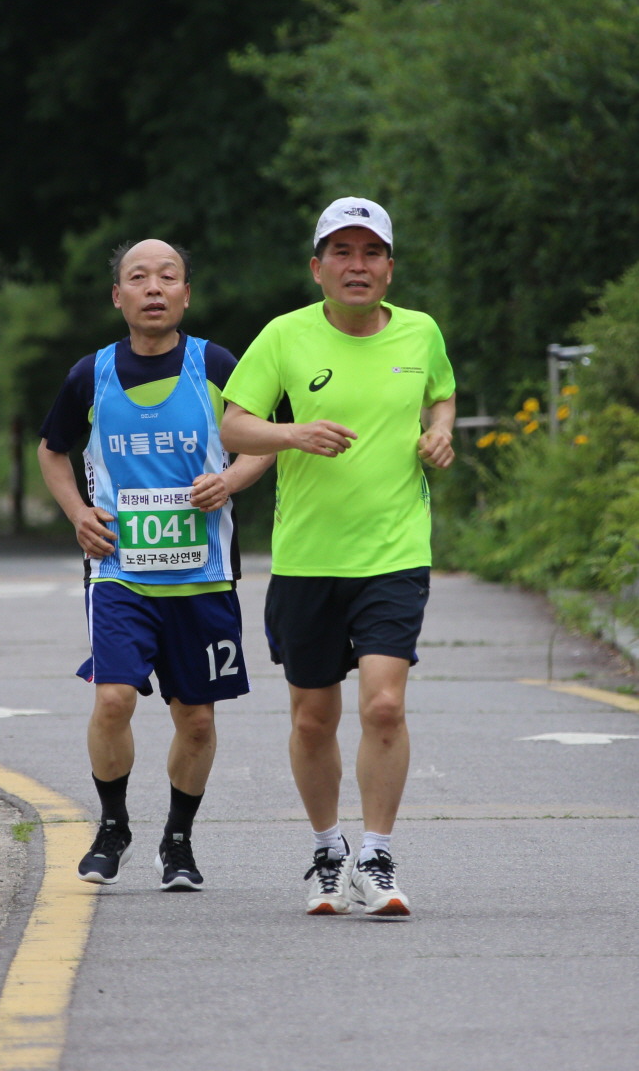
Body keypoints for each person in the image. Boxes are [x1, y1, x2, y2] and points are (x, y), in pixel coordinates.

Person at [220, 197, 455, 918]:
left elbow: (440, 397)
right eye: (342, 253)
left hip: (392, 552)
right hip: (306, 559)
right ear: (317, 266)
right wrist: (292, 436)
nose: (357, 266)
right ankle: (328, 851)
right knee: (311, 719)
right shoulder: (283, 336)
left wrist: (438, 434)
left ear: (389, 266)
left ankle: (376, 855)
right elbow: (234, 421)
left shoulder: (421, 333)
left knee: (384, 705)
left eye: (371, 253)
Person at [38, 238, 272, 892]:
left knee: (195, 718)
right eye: (137, 277)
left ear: (185, 293)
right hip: (119, 571)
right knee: (113, 698)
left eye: (167, 276)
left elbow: (267, 440)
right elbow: (52, 451)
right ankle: (112, 825)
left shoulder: (217, 365)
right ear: (118, 296)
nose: (153, 287)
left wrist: (232, 479)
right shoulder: (91, 374)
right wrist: (78, 513)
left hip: (201, 574)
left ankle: (178, 840)